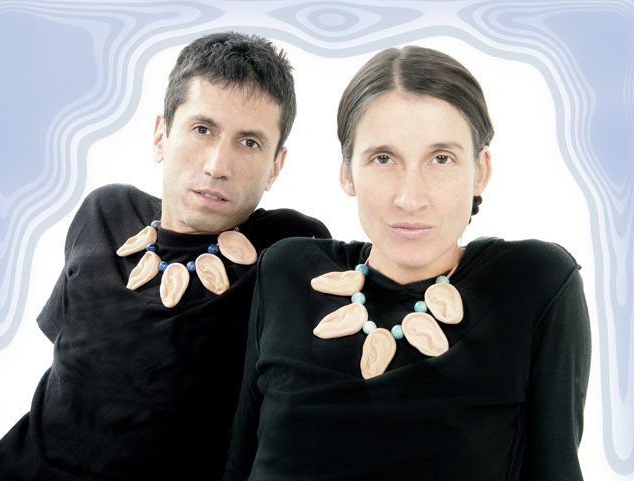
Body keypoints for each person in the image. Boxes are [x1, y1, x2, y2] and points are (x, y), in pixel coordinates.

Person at [224, 45, 591, 480]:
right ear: (347, 172)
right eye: (383, 158)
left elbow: (557, 468)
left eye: (441, 158)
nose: (410, 198)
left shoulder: (533, 284)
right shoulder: (288, 270)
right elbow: (239, 461)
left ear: (480, 171)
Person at [0, 31, 330, 481]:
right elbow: (73, 373)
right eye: (202, 129)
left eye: (249, 142)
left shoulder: (290, 248)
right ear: (160, 135)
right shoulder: (105, 212)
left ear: (276, 166)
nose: (217, 166)